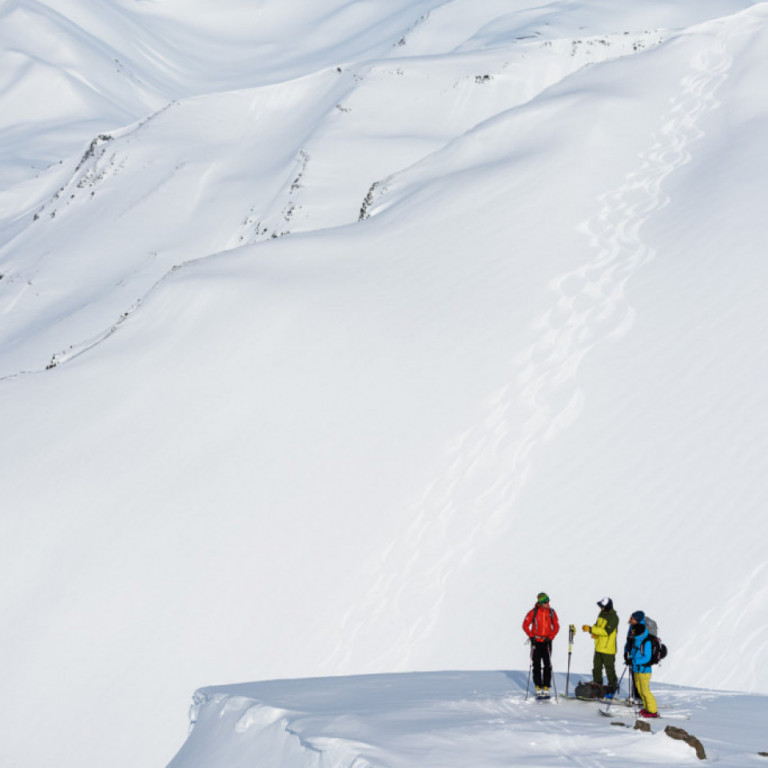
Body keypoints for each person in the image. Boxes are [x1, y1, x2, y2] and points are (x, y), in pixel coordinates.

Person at [522, 592, 560, 697]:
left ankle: (546, 686)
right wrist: (531, 637)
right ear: (540, 603)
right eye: (545, 602)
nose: (548, 603)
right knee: (536, 665)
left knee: (548, 665)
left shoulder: (551, 612)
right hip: (536, 642)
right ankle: (538, 685)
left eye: (548, 601)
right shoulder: (533, 612)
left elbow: (556, 626)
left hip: (547, 642)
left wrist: (550, 638)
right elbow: (525, 625)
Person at [582, 596, 619, 698]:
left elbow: (606, 632)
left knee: (609, 669)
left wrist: (590, 629)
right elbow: (598, 626)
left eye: (602, 606)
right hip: (598, 646)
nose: (601, 608)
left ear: (608, 606)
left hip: (608, 649)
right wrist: (594, 632)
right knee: (596, 667)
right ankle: (597, 687)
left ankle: (612, 689)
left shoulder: (614, 617)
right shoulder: (601, 614)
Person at [628, 621, 659, 717]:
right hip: (637, 669)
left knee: (645, 691)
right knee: (640, 690)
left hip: (644, 670)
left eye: (633, 631)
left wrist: (634, 661)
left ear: (638, 632)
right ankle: (647, 708)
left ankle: (653, 711)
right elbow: (635, 653)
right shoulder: (637, 640)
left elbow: (647, 657)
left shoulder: (647, 642)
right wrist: (630, 659)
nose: (631, 633)